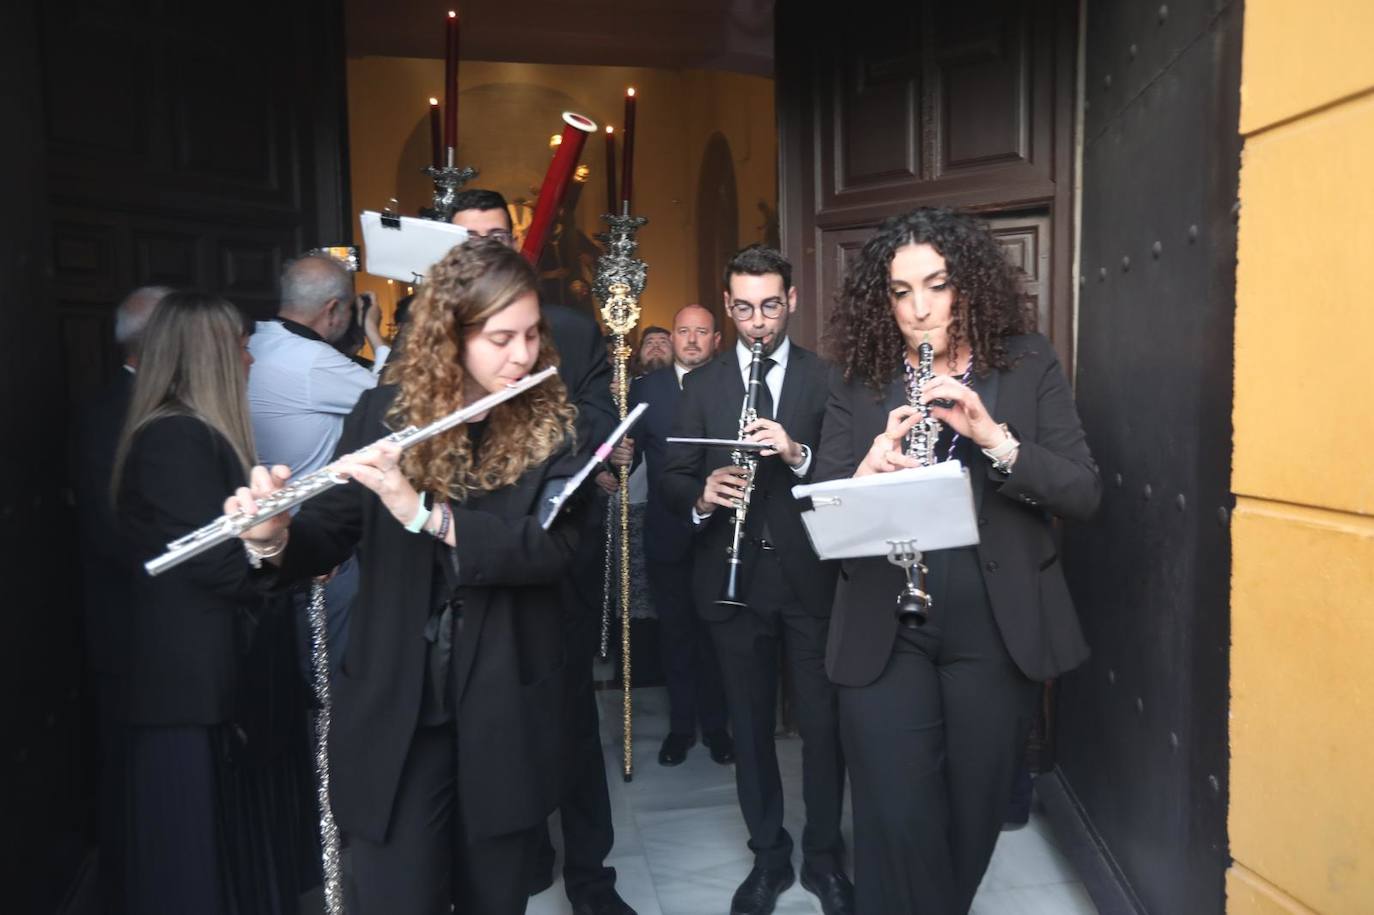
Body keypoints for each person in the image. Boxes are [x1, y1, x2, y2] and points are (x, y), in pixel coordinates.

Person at [227, 239, 590, 914]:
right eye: (501, 337)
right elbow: (329, 531)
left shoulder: (556, 428)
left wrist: (428, 514)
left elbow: (552, 551)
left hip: (504, 706)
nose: (523, 355)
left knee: (493, 896)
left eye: (533, 334)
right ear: (450, 337)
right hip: (399, 706)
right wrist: (271, 537)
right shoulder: (384, 413)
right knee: (398, 897)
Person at [816, 207, 1100, 914]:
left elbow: (1083, 491)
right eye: (901, 290)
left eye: (936, 286)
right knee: (896, 821)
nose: (919, 309)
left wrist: (994, 438)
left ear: (968, 283)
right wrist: (865, 476)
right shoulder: (858, 377)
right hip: (888, 627)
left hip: (993, 632)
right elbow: (819, 515)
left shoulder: (1028, 361)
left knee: (970, 820)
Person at [450, 189, 631, 915]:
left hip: (549, 567)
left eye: (497, 235)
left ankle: (592, 879)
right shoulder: (427, 341)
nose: (486, 250)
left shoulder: (563, 330)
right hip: (464, 577)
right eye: (469, 241)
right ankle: (512, 864)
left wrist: (541, 433)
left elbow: (603, 416)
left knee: (568, 729)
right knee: (486, 744)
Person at [660, 245, 851, 915]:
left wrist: (796, 454)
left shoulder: (825, 379)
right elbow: (674, 474)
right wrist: (705, 494)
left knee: (824, 727)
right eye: (742, 307)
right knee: (748, 725)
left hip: (810, 578)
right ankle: (769, 855)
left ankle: (825, 857)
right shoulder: (704, 385)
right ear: (728, 304)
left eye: (770, 305)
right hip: (730, 579)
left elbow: (849, 474)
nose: (757, 320)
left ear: (792, 301)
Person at [113, 291, 316, 915]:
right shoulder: (176, 437)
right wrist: (280, 550)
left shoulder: (192, 432)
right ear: (210, 355)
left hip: (212, 681)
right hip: (191, 689)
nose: (251, 358)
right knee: (196, 862)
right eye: (240, 345)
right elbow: (221, 566)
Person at [72, 283, 170, 913]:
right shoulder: (117, 414)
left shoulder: (135, 405)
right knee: (133, 770)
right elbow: (123, 535)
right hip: (133, 624)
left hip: (142, 624)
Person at [609, 304, 732, 767]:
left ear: (716, 339)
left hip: (719, 532)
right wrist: (616, 460)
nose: (693, 339)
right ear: (674, 336)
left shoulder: (730, 383)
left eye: (703, 331)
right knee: (676, 635)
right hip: (667, 530)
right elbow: (624, 452)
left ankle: (718, 727)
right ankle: (681, 729)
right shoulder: (646, 389)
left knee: (716, 634)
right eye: (684, 331)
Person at [248, 254, 382, 674]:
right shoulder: (313, 362)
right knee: (331, 688)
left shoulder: (250, 344)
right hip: (320, 555)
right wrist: (377, 336)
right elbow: (398, 399)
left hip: (264, 550)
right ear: (334, 310)